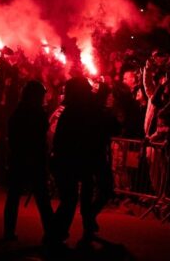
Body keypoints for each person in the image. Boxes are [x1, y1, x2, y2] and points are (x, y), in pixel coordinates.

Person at [49, 76, 119, 248]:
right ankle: (57, 234)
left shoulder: (79, 109)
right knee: (73, 198)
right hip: (80, 158)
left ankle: (80, 223)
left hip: (83, 158)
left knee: (85, 194)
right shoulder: (76, 110)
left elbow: (111, 126)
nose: (90, 91)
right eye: (87, 89)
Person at [3, 80, 54, 243]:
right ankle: (51, 233)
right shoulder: (36, 113)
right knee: (42, 199)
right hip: (32, 159)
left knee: (14, 197)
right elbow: (40, 136)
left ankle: (9, 231)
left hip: (19, 159)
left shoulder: (19, 112)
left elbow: (12, 136)